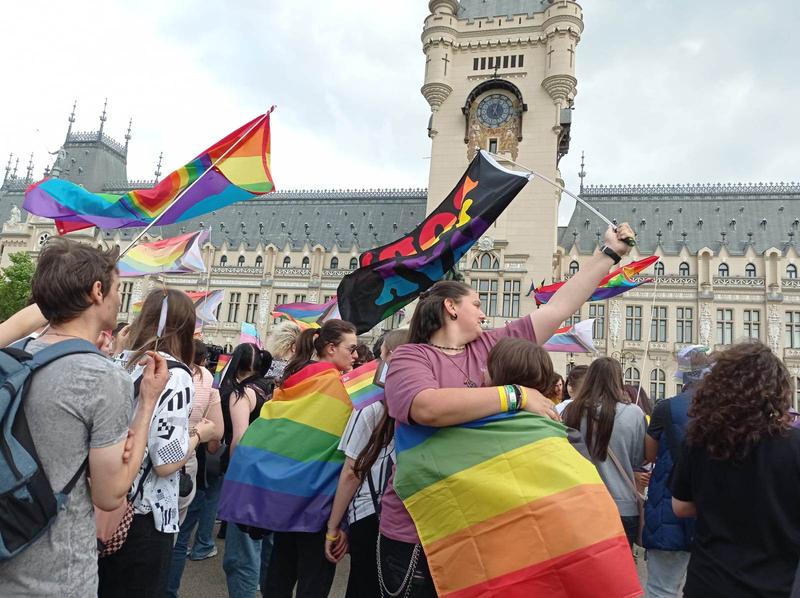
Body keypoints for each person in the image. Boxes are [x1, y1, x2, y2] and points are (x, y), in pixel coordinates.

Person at [380, 222, 636, 595]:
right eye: (477, 305)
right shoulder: (409, 356)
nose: (484, 315)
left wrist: (609, 254)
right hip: (417, 529)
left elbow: (561, 306)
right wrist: (515, 395)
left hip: (482, 525)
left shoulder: (491, 345)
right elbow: (425, 407)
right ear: (451, 307)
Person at [0, 238, 169, 597]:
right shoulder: (102, 377)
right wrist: (147, 405)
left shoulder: (13, 356)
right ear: (97, 291)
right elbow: (111, 494)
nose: (119, 298)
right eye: (118, 288)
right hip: (57, 575)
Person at [98, 289, 216, 597]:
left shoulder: (117, 362)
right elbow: (166, 460)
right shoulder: (174, 374)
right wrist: (199, 435)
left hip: (102, 503)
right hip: (142, 514)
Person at [671, 342, 800, 597]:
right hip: (775, 585)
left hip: (710, 581)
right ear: (778, 390)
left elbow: (681, 506)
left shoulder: (700, 438)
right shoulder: (794, 445)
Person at [260, 320, 358, 597]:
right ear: (330, 348)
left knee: (279, 571)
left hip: (287, 494)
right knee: (313, 582)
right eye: (351, 349)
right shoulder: (341, 387)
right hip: (321, 499)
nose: (355, 356)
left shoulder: (295, 379)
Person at [325, 329, 409, 598]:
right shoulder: (426, 399)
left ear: (390, 357)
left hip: (371, 510)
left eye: (380, 354)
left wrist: (333, 526)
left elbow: (352, 470)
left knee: (364, 583)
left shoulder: (370, 404)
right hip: (408, 510)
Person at [643, 345, 710, 598]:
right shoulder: (725, 411)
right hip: (710, 512)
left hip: (668, 506)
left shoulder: (665, 408)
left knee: (662, 589)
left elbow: (649, 455)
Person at [562, 357, 647, 547]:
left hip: (582, 503)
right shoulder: (634, 413)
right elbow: (638, 457)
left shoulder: (572, 411)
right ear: (618, 380)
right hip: (623, 504)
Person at [166, 339, 225, 597]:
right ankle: (169, 591)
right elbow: (217, 436)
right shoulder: (206, 382)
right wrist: (198, 433)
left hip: (145, 465)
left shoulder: (160, 371)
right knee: (177, 540)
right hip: (184, 467)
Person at [220, 342, 275, 598]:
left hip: (247, 477)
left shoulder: (241, 393)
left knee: (241, 555)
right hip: (271, 474)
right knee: (266, 547)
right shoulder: (272, 388)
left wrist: (233, 478)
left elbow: (239, 438)